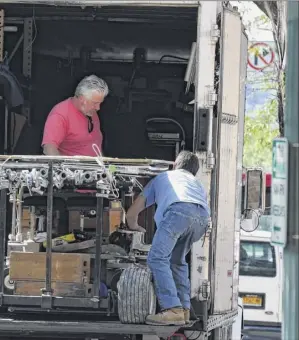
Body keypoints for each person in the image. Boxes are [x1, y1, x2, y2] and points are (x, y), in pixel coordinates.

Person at [125, 151, 210, 326]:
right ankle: (184, 309)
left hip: (178, 212)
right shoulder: (196, 184)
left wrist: (134, 227)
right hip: (202, 220)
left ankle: (172, 308)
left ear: (175, 165)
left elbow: (132, 213)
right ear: (194, 171)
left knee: (157, 258)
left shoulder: (164, 177)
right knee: (177, 260)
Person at [41, 75, 108, 156]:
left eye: (100, 103)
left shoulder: (90, 111)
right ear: (82, 99)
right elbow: (49, 149)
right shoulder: (60, 114)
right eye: (95, 103)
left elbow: (95, 143)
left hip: (97, 167)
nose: (98, 108)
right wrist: (63, 167)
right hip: (73, 168)